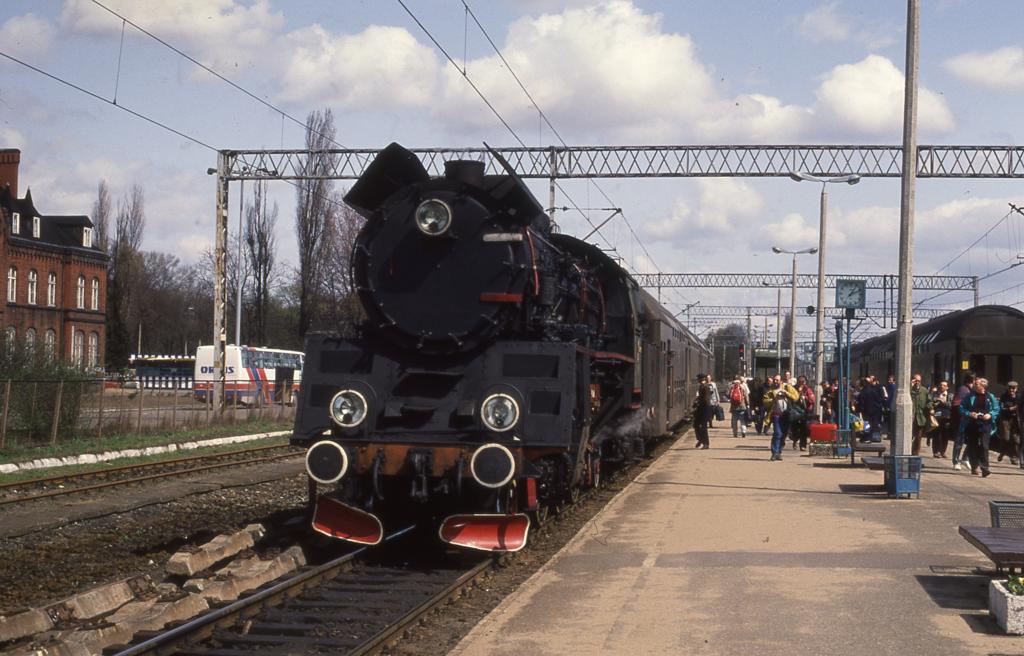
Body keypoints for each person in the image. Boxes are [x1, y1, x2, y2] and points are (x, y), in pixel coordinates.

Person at [960, 377, 1000, 477]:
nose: (974, 385)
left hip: (985, 424)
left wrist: (990, 415)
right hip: (972, 424)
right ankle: (974, 466)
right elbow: (961, 408)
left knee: (984, 446)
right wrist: (970, 414)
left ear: (983, 386)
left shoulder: (990, 396)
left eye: (976, 384)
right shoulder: (969, 396)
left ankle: (984, 468)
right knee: (972, 445)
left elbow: (996, 409)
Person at [766, 374, 799, 461]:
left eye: (777, 380)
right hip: (776, 415)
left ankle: (779, 452)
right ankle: (774, 452)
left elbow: (796, 397)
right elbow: (765, 401)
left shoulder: (787, 388)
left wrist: (787, 394)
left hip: (786, 415)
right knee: (778, 433)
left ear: (781, 381)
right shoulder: (770, 391)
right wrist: (774, 399)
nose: (775, 381)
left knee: (784, 434)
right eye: (774, 380)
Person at [951, 372, 975, 471]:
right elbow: (956, 404)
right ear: (972, 381)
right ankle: (956, 461)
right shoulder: (963, 390)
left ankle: (965, 458)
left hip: (969, 420)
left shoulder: (971, 391)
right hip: (961, 420)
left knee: (972, 440)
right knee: (959, 441)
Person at [997, 381, 1021, 465]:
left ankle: (1014, 457)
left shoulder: (1019, 397)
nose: (1012, 390)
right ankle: (1002, 452)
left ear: (1016, 389)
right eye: (1010, 388)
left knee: (1015, 439)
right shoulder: (1004, 396)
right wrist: (1011, 408)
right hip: (1005, 419)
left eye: (1013, 388)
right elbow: (1001, 408)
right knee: (1006, 438)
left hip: (1015, 419)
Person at [790, 376, 816, 450]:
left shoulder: (808, 389)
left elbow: (813, 400)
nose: (801, 383)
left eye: (803, 381)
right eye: (800, 381)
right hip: (795, 411)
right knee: (794, 428)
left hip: (805, 411)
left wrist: (806, 398)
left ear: (805, 382)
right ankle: (795, 440)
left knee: (804, 428)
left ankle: (803, 445)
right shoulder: (793, 389)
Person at [856, 377, 885, 443]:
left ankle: (867, 438)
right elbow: (879, 399)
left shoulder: (863, 392)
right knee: (874, 424)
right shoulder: (873, 390)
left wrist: (859, 409)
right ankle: (874, 437)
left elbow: (861, 403)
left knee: (867, 424)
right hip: (875, 410)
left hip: (866, 411)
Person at [910, 373, 932, 456]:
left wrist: (930, 407)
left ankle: (915, 454)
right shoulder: (909, 390)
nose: (917, 382)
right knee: (909, 436)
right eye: (915, 381)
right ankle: (908, 451)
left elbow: (929, 401)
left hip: (921, 418)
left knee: (918, 437)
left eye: (919, 381)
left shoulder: (924, 390)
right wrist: (910, 387)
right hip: (911, 418)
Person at [931, 380, 952, 459]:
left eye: (944, 385)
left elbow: (952, 406)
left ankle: (943, 451)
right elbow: (930, 403)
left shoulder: (950, 395)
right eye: (941, 385)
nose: (942, 386)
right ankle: (936, 452)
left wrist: (944, 402)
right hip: (937, 416)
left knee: (945, 435)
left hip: (947, 417)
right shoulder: (934, 394)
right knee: (936, 434)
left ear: (947, 387)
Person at [693, 374, 711, 449]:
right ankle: (700, 439)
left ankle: (706, 443)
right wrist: (696, 401)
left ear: (701, 379)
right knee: (696, 425)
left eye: (698, 379)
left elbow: (706, 399)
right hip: (701, 408)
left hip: (704, 409)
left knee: (704, 427)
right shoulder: (701, 386)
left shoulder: (705, 387)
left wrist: (699, 403)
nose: (697, 380)